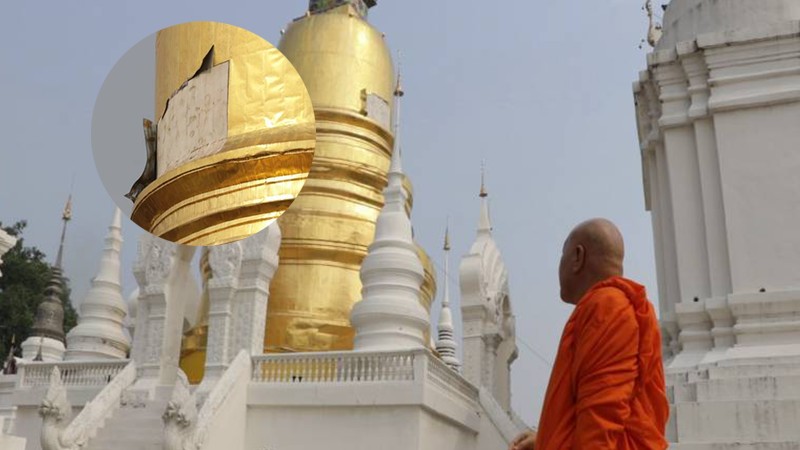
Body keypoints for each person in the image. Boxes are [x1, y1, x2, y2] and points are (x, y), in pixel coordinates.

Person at [511, 218, 668, 450]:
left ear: (577, 256)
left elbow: (601, 425)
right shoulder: (607, 307)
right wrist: (545, 440)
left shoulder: (608, 308)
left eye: (561, 256)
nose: (559, 267)